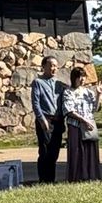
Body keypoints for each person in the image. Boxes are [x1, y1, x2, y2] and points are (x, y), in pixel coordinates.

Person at [63, 67, 102, 182]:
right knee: (77, 151)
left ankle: (91, 176)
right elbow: (69, 110)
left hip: (89, 125)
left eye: (84, 76)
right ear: (74, 78)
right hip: (76, 125)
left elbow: (94, 109)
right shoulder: (68, 92)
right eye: (79, 76)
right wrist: (83, 121)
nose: (82, 79)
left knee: (90, 151)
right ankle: (76, 177)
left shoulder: (88, 92)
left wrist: (98, 95)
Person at [30, 56, 65, 185]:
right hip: (45, 119)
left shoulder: (59, 84)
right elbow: (35, 103)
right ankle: (43, 180)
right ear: (43, 66)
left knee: (55, 151)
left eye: (55, 66)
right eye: (50, 65)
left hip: (58, 121)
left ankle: (51, 180)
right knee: (44, 150)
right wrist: (42, 119)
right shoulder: (38, 82)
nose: (53, 68)